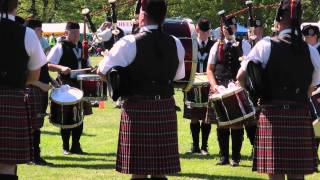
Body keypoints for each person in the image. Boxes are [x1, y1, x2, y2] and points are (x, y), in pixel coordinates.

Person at [97, 0, 185, 179]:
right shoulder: (176, 43)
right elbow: (178, 76)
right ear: (163, 17)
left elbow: (102, 70)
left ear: (142, 16)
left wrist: (121, 86)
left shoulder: (129, 42)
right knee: (161, 172)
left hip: (137, 108)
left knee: (139, 173)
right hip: (164, 107)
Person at [237, 0, 320, 179]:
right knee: (297, 176)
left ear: (279, 19)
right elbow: (310, 88)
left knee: (275, 176)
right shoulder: (311, 51)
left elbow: (240, 77)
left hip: (272, 115)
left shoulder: (265, 45)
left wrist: (255, 93)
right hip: (299, 115)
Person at [0, 0, 47, 179]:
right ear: (16, 5)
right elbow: (35, 76)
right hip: (12, 98)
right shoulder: (26, 33)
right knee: (6, 166)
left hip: (12, 98)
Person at [206, 15, 251, 166]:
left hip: (237, 88)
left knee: (237, 123)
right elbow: (210, 70)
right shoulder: (215, 46)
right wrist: (214, 86)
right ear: (222, 29)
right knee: (222, 124)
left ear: (236, 28)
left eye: (231, 27)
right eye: (226, 27)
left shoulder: (244, 45)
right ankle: (223, 157)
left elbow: (248, 68)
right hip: (219, 88)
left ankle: (236, 157)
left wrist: (240, 84)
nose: (228, 30)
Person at [47, 22, 93, 155]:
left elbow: (88, 64)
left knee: (79, 116)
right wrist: (61, 68)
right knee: (66, 116)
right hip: (65, 84)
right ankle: (65, 146)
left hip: (80, 84)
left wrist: (92, 69)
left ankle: (76, 146)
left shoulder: (82, 47)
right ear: (66, 33)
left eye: (78, 34)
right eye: (73, 34)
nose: (76, 36)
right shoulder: (59, 47)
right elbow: (48, 64)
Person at [184, 18, 214, 155]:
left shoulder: (214, 45)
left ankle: (204, 146)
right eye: (202, 31)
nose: (204, 34)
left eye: (206, 31)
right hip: (192, 83)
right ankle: (195, 146)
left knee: (207, 116)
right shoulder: (191, 45)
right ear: (197, 30)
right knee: (194, 116)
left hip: (208, 84)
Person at [25, 19, 53, 166]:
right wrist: (41, 85)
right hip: (33, 90)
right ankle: (33, 156)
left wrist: (51, 81)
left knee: (38, 123)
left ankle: (36, 155)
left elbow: (43, 69)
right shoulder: (26, 46)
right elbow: (25, 76)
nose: (41, 33)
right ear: (31, 31)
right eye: (39, 30)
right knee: (34, 125)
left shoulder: (39, 45)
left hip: (41, 89)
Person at [302, 23, 320, 163]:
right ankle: (313, 156)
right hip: (307, 91)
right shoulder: (302, 50)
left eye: (310, 36)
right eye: (305, 36)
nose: (307, 39)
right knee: (311, 123)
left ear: (315, 36)